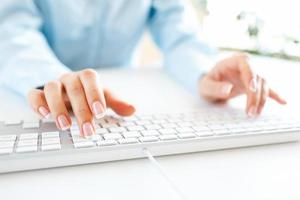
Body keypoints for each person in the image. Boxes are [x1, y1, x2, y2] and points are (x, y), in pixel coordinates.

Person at [0, 0, 286, 137]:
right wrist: (50, 78)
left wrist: (207, 72)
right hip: (38, 98)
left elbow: (179, 34)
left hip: (119, 106)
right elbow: (12, 29)